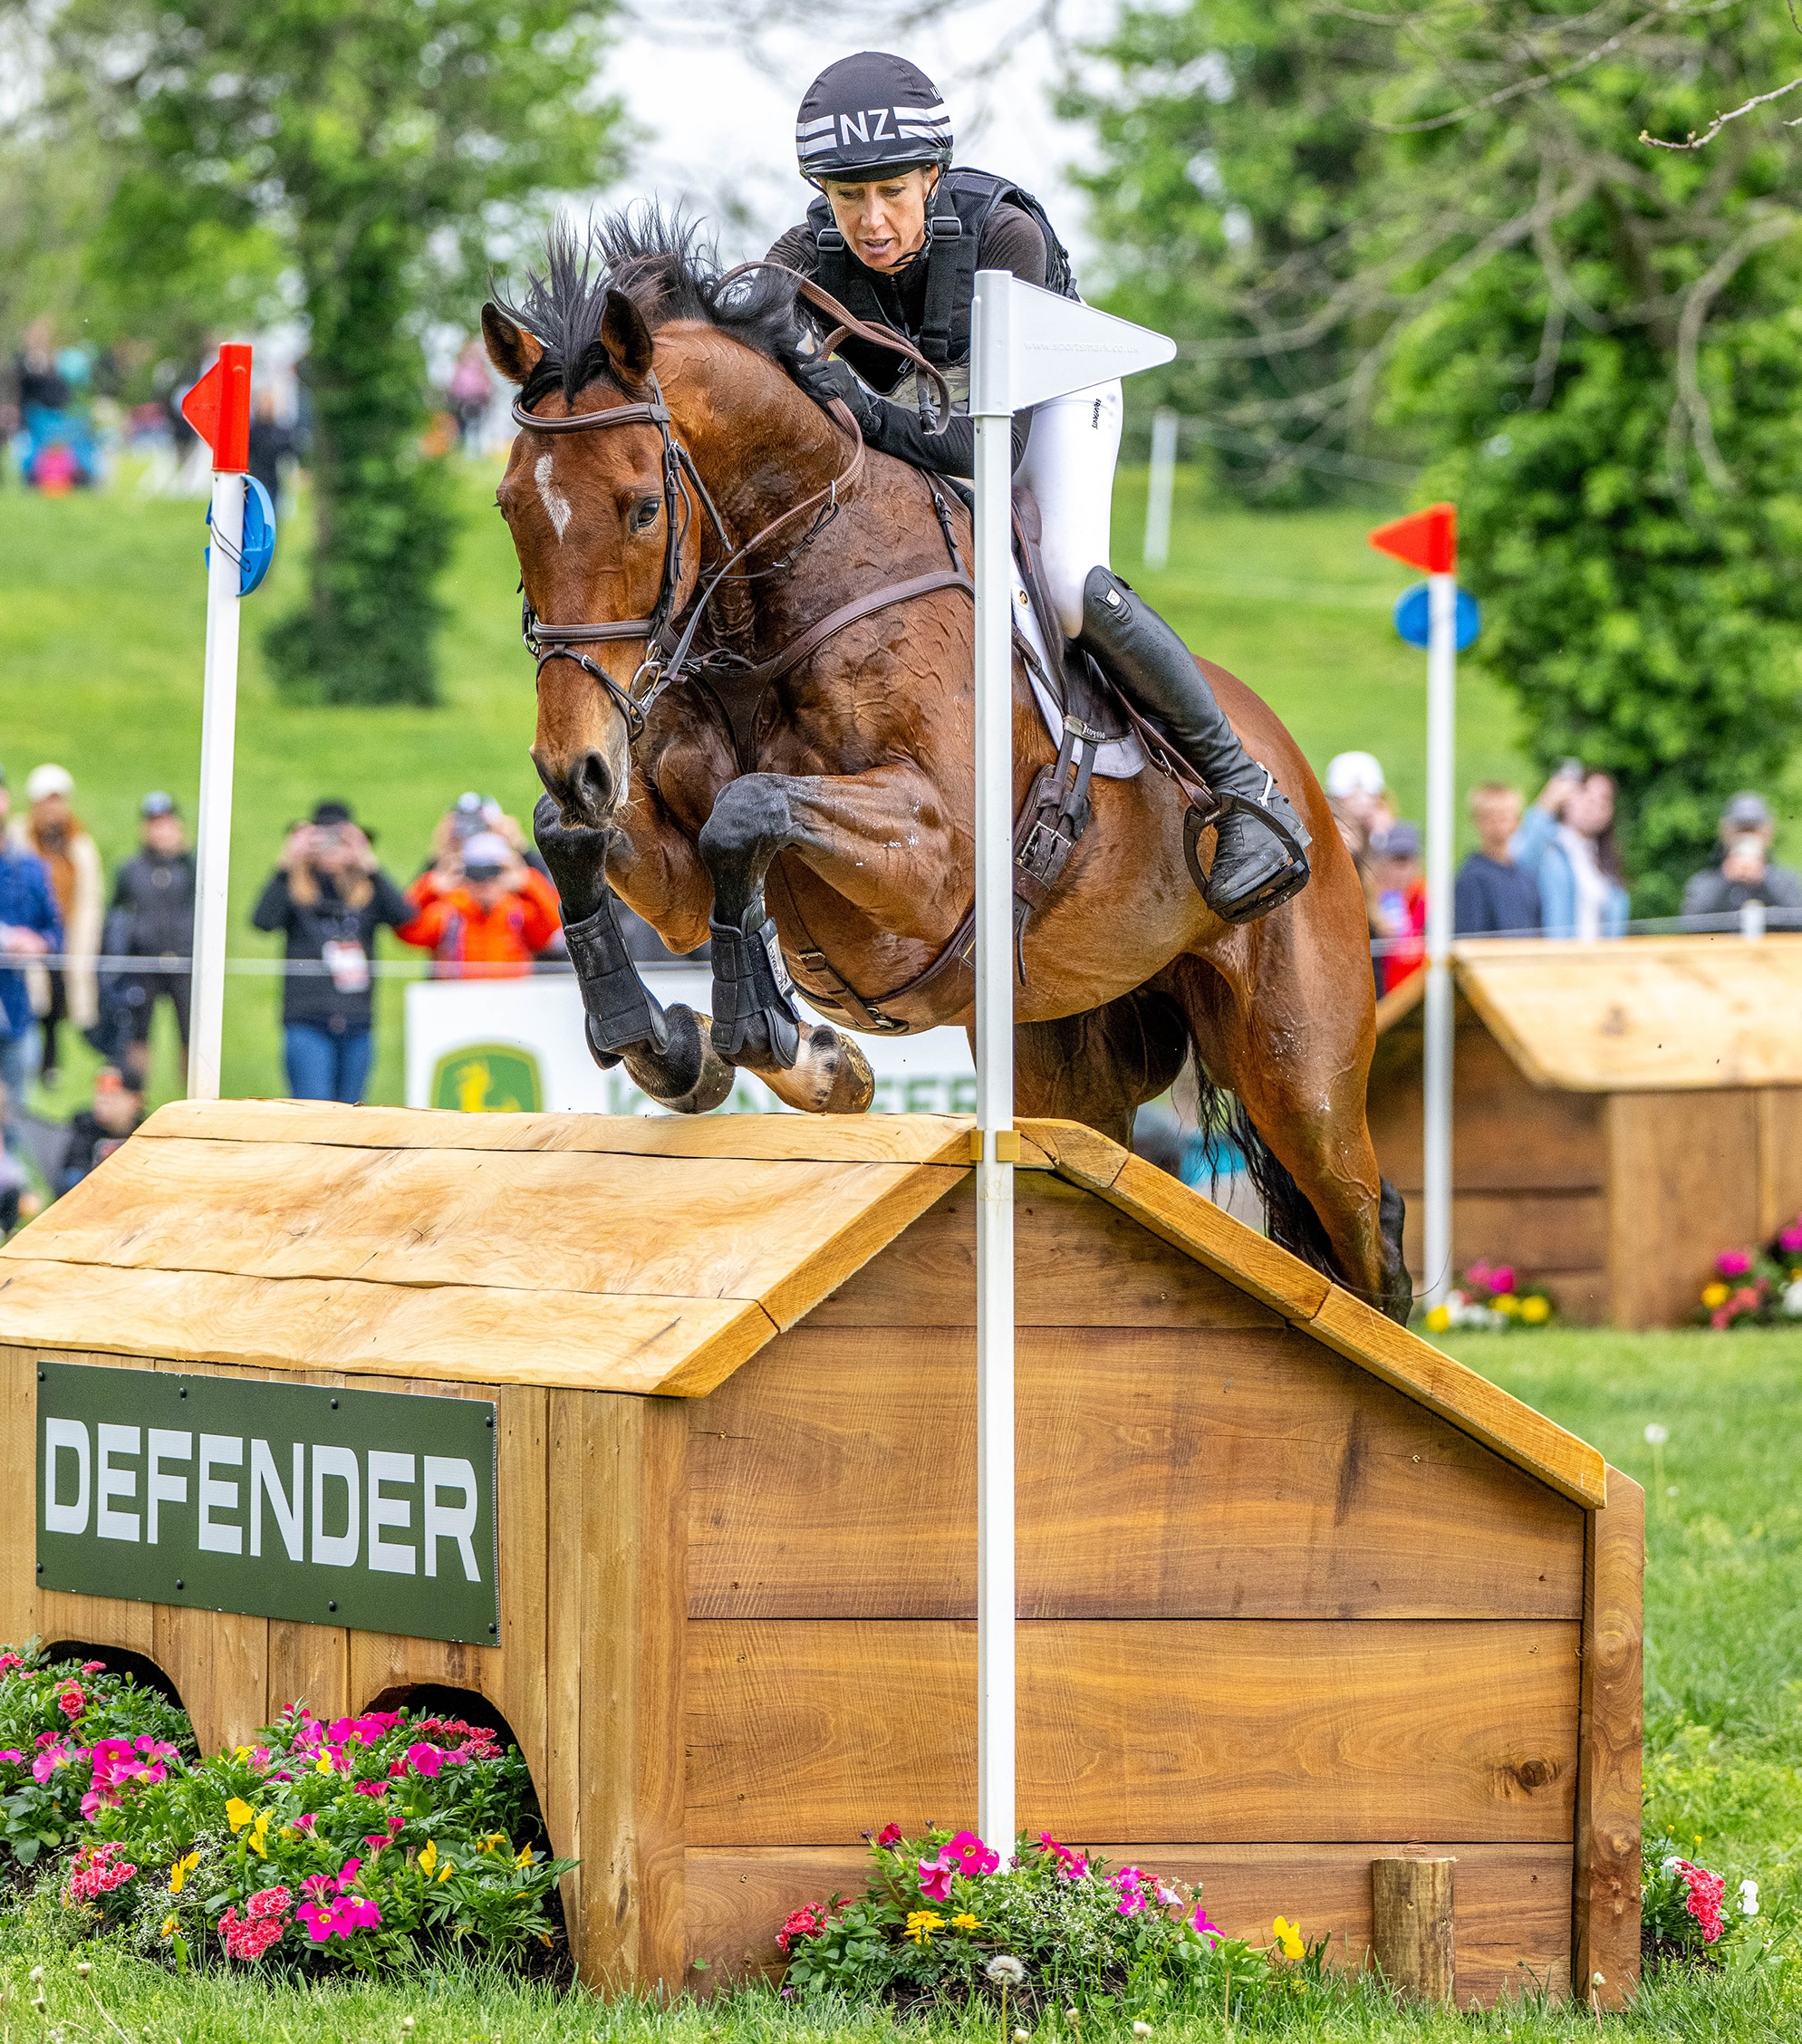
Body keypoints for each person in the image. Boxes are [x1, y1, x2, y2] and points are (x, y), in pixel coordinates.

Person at [766, 51, 1310, 924]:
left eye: (892, 192)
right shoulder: (800, 256)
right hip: (925, 399)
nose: (870, 220)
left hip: (1048, 396)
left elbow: (980, 449)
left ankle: (1245, 792)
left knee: (1062, 581)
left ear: (933, 176)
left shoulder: (1003, 234)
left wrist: (847, 405)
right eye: (845, 195)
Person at [252, 801, 413, 1104]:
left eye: (340, 840)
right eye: (322, 840)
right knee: (313, 1109)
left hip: (357, 1021)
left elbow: (404, 916)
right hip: (307, 1020)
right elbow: (262, 921)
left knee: (351, 1112)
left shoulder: (367, 889)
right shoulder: (294, 887)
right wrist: (287, 862)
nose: (331, 849)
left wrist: (368, 862)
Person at [9, 764, 103, 1082]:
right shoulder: (19, 838)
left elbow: (89, 894)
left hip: (63, 929)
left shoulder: (78, 841)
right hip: (27, 933)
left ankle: (52, 1062)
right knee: (34, 997)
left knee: (61, 992)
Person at [101, 793, 196, 1085]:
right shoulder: (131, 869)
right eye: (154, 823)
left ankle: (197, 1101)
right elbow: (117, 912)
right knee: (138, 1035)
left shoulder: (192, 867)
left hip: (184, 961)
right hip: (143, 962)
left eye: (166, 823)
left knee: (192, 1035)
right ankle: (135, 1100)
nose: (160, 830)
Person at [0, 765, 63, 1163]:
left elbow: (57, 931)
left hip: (14, 1008)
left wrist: (37, 942)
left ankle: (11, 1195)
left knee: (16, 1106)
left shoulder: (28, 868)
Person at [397, 831, 562, 978]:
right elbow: (404, 927)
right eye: (476, 871)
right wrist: (431, 885)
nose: (485, 881)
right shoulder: (448, 913)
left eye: (494, 870)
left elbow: (556, 929)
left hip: (512, 1004)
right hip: (458, 1004)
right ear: (463, 872)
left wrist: (528, 881)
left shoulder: (519, 913)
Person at [1511, 763, 1629, 940]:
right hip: (1556, 961)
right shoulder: (1548, 847)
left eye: (1604, 799)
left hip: (1597, 962)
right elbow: (1519, 865)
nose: (1594, 804)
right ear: (1567, 797)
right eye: (1586, 793)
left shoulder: (1603, 859)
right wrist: (1546, 805)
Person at [1682, 792, 1802, 921]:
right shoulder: (1704, 882)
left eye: (1753, 830)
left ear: (1768, 834)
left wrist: (1764, 878)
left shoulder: (1788, 882)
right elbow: (1688, 924)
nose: (1746, 837)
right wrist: (1726, 880)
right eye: (1740, 830)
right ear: (1725, 833)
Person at [1454, 783, 1542, 938]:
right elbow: (1469, 937)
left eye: (1503, 816)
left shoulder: (1525, 876)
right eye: (1489, 816)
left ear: (1517, 820)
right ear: (1476, 820)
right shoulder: (1471, 878)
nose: (1496, 822)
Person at [53, 1065, 143, 1197]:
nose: (102, 1101)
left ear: (135, 1101)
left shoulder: (148, 1131)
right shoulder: (84, 1127)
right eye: (100, 1094)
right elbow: (74, 1166)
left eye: (113, 1096)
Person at [1369, 820, 1426, 995]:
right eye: (1395, 861)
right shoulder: (1368, 900)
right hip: (1381, 996)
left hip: (1417, 995)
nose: (1400, 870)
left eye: (1406, 861)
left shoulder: (1425, 898)